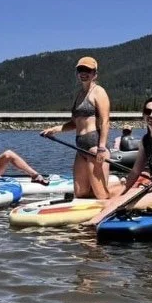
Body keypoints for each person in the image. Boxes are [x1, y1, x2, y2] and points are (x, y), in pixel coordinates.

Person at [84, 97, 152, 226]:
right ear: (143, 114)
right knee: (114, 201)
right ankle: (101, 216)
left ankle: (90, 226)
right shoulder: (145, 141)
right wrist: (119, 194)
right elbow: (135, 172)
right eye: (148, 111)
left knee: (123, 203)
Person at [40, 56, 112, 199]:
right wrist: (55, 129)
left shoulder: (99, 92)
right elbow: (75, 123)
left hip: (95, 145)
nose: (83, 73)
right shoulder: (79, 95)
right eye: (80, 70)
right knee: (80, 192)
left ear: (94, 74)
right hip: (80, 147)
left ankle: (121, 192)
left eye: (88, 70)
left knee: (101, 194)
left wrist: (101, 148)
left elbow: (105, 121)